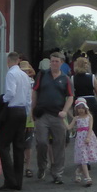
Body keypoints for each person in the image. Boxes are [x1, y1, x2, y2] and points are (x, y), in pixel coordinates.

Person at [31, 50, 73, 183]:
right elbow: (34, 92)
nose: (54, 64)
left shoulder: (65, 79)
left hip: (58, 116)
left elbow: (71, 96)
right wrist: (33, 110)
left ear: (61, 63)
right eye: (52, 61)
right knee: (42, 143)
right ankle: (42, 166)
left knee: (59, 145)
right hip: (42, 115)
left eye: (56, 61)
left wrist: (65, 111)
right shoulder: (42, 75)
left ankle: (57, 173)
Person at [0, 51, 31, 192]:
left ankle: (10, 179)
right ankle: (18, 181)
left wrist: (1, 101)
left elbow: (10, 92)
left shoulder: (11, 73)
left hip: (12, 110)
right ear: (18, 60)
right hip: (23, 111)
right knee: (19, 146)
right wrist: (28, 114)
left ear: (9, 61)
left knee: (3, 145)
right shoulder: (24, 75)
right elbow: (29, 97)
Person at [68, 97, 97, 185]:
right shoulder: (76, 118)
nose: (80, 110)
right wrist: (62, 119)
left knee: (86, 158)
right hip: (80, 139)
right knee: (83, 157)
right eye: (79, 108)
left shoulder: (89, 116)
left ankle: (78, 171)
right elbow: (69, 127)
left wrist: (88, 137)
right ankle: (87, 177)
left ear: (86, 108)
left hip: (88, 138)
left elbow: (90, 128)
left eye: (82, 108)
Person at [72, 55, 97, 136]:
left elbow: (71, 93)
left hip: (79, 102)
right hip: (91, 101)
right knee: (92, 127)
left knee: (80, 127)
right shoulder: (92, 77)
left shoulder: (73, 78)